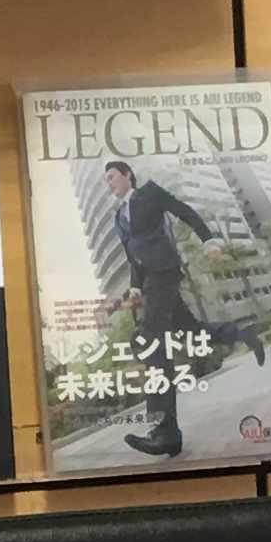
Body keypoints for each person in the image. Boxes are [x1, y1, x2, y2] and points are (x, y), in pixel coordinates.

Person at [100, 158, 222, 459]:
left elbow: (184, 210)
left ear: (128, 175)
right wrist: (134, 288)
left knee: (151, 341)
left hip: (164, 272)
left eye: (112, 176)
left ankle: (165, 431)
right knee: (190, 330)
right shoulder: (118, 216)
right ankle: (238, 335)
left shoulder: (150, 193)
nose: (109, 183)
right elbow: (133, 256)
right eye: (106, 180)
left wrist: (209, 240)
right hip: (149, 280)